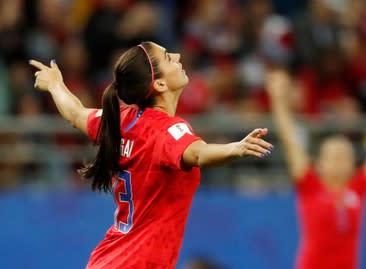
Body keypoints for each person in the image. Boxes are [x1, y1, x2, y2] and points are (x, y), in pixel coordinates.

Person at [29, 41, 273, 269]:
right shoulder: (166, 130)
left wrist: (55, 85)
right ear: (159, 84)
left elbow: (76, 114)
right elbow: (198, 154)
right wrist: (235, 148)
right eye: (168, 57)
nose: (177, 56)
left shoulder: (120, 121)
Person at [265, 70, 366, 269]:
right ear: (319, 164)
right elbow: (289, 139)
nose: (339, 161)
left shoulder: (358, 188)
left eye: (344, 156)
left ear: (352, 165)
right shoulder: (309, 186)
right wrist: (278, 100)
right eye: (333, 156)